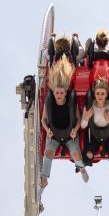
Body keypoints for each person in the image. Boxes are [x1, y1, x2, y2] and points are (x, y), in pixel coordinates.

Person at [39, 54, 89, 196]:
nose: (59, 95)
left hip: (69, 134)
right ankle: (44, 181)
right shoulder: (50, 102)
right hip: (53, 134)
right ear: (54, 93)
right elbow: (43, 120)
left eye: (61, 93)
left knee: (76, 154)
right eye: (57, 93)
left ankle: (82, 169)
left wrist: (75, 130)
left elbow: (78, 119)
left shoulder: (70, 102)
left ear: (65, 93)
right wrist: (47, 130)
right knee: (48, 153)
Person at [81, 79, 109, 173]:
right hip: (93, 136)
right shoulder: (89, 106)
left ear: (106, 94)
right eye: (98, 93)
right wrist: (86, 118)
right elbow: (83, 126)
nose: (100, 96)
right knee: (87, 158)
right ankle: (82, 168)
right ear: (94, 94)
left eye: (102, 93)